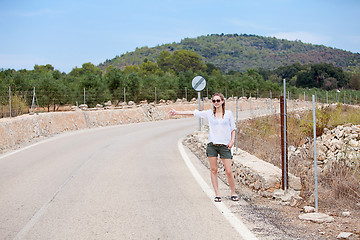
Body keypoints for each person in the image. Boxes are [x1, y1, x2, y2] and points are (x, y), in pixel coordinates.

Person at [170, 93, 238, 202]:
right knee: (214, 170)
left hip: (225, 146)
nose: (216, 103)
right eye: (214, 101)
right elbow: (194, 113)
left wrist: (232, 141)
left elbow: (233, 129)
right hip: (212, 145)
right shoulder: (209, 113)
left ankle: (233, 193)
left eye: (218, 100)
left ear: (222, 101)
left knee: (229, 171)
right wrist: (177, 112)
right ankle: (217, 194)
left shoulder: (228, 114)